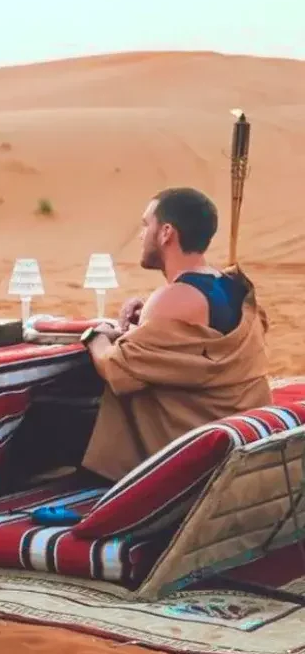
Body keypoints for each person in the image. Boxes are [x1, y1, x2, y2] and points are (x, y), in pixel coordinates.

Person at [76, 187, 272, 482]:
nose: (142, 235)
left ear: (166, 232)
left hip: (193, 453)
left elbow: (117, 368)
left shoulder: (172, 298)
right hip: (239, 439)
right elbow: (194, 344)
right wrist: (145, 324)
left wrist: (96, 336)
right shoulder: (232, 286)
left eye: (146, 225)